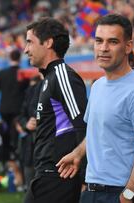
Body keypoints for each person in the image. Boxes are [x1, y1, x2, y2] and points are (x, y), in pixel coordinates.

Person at [57, 14, 134, 203]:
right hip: (91, 191)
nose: (103, 48)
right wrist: (78, 154)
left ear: (128, 47)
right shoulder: (98, 86)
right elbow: (96, 132)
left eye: (112, 42)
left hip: (123, 193)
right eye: (99, 41)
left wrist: (128, 195)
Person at [23, 17, 88, 203]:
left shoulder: (62, 76)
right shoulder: (49, 78)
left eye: (30, 42)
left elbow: (83, 127)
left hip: (58, 178)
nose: (26, 50)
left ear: (48, 42)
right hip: (46, 174)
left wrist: (84, 179)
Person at [0, 49, 28, 185]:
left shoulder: (2, 73)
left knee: (4, 140)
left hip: (4, 112)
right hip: (18, 114)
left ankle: (6, 166)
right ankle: (16, 169)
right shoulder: (23, 74)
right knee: (16, 141)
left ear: (9, 57)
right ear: (20, 58)